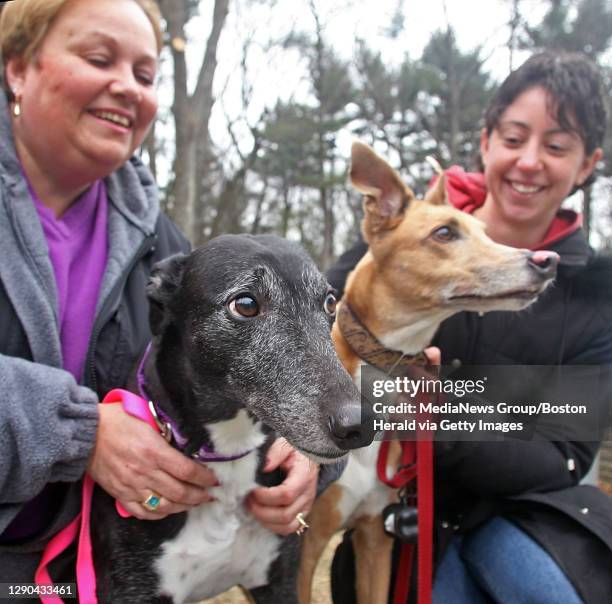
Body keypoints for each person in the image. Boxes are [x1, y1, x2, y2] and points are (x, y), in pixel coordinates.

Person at [0, 0, 320, 587]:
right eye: (99, 58)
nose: (128, 88)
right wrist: (80, 432)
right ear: (17, 67)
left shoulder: (162, 240)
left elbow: (227, 369)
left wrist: (301, 447)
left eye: (146, 76)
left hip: (82, 575)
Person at [328, 51, 612, 604]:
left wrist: (432, 410)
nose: (529, 162)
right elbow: (325, 325)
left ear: (585, 165)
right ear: (486, 141)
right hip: (405, 518)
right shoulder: (409, 239)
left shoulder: (595, 293)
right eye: (513, 137)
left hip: (528, 515)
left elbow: (563, 455)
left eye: (555, 147)